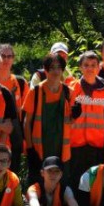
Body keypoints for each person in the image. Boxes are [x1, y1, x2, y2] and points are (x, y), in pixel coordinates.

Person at [23, 53, 73, 185]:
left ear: (63, 70)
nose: (55, 71)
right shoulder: (35, 92)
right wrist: (29, 149)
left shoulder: (68, 92)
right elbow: (26, 123)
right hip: (39, 151)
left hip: (62, 150)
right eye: (51, 68)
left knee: (61, 187)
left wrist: (76, 115)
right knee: (37, 185)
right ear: (45, 70)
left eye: (58, 67)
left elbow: (71, 121)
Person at [68, 50, 104, 179]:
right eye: (86, 65)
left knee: (95, 180)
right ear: (80, 67)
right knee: (76, 180)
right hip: (76, 144)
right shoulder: (72, 88)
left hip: (98, 144)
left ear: (99, 67)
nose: (90, 68)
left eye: (93, 65)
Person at [0, 43, 28, 176]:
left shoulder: (20, 83)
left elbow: (26, 113)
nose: (6, 59)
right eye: (3, 56)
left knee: (12, 176)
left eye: (10, 56)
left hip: (15, 139)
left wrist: (25, 139)